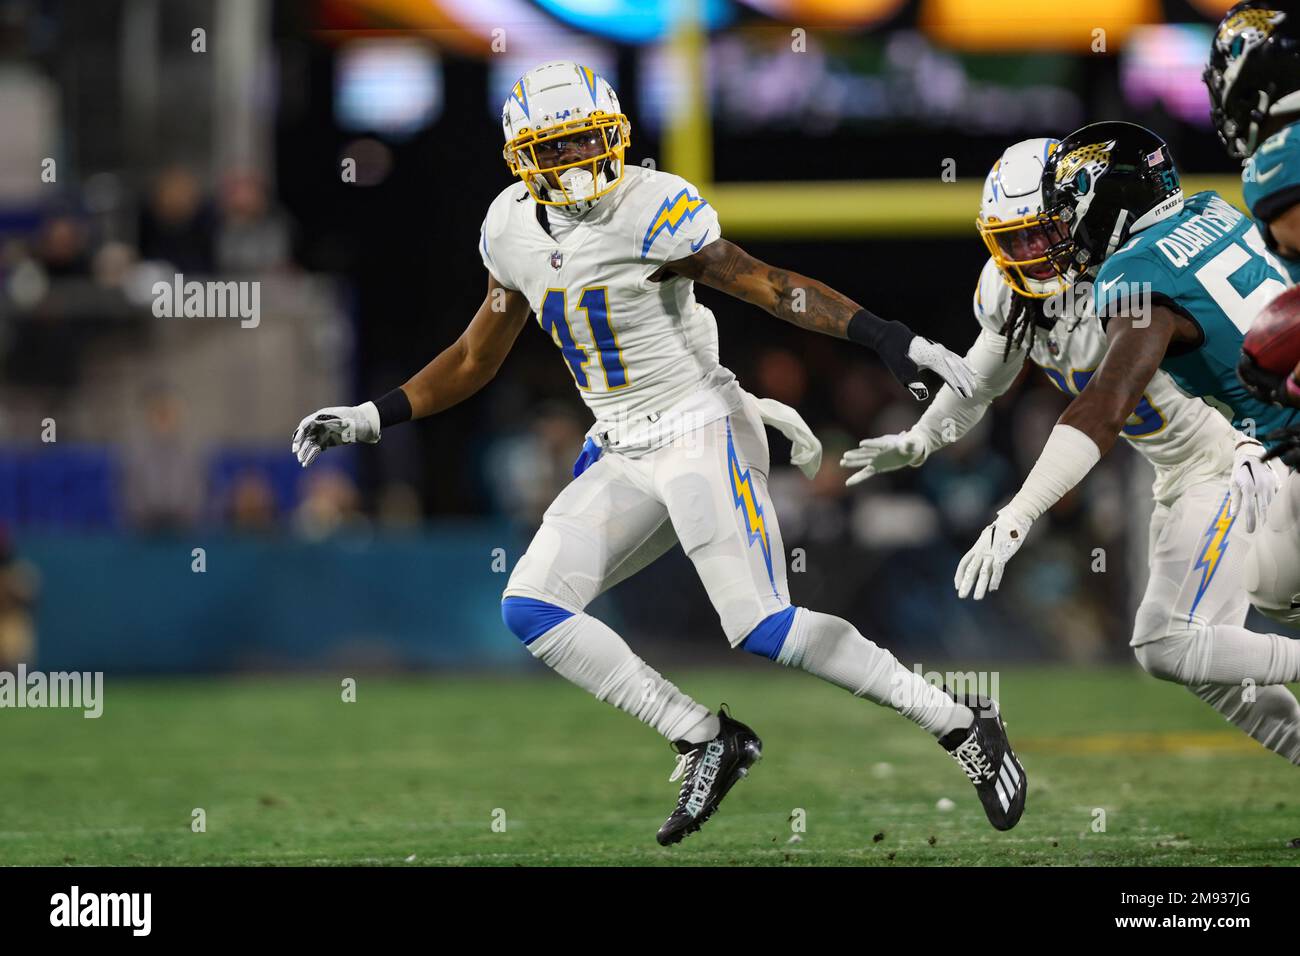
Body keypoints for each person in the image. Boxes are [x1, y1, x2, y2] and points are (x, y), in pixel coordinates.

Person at [290, 61, 1026, 844]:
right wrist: (372, 417)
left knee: (761, 627)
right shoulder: (509, 227)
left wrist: (886, 335)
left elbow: (767, 284)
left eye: (586, 143)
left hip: (703, 428)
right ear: (521, 158)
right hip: (622, 447)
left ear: (614, 136)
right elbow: (475, 357)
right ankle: (706, 737)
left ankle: (958, 722)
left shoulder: (651, 207)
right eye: (556, 148)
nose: (576, 164)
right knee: (533, 607)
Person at [844, 137, 1300, 764]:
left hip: (1228, 455)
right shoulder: (1015, 294)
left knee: (1168, 644)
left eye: (1038, 234)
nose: (1026, 255)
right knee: (1204, 666)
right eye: (1011, 240)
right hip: (1178, 471)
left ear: (1081, 217)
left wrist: (1018, 514)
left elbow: (1101, 410)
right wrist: (923, 437)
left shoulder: (1129, 279)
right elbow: (980, 381)